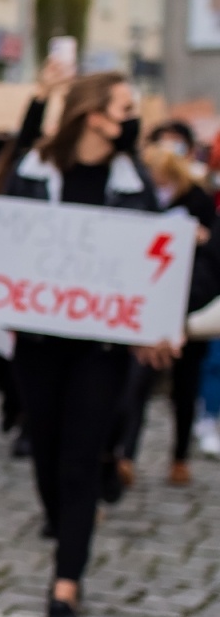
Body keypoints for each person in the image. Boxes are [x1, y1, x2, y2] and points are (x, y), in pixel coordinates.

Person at [0, 59, 164, 617]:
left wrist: (160, 318)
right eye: (124, 109)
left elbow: (147, 260)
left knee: (78, 461)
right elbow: (6, 238)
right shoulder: (35, 172)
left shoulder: (131, 178)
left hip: (102, 347)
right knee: (47, 454)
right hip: (38, 341)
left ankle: (64, 589)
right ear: (93, 116)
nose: (132, 119)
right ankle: (68, 530)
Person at [114, 144, 216, 487]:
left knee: (184, 388)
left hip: (185, 304)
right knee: (136, 385)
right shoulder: (140, 199)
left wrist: (202, 241)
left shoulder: (198, 201)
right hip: (148, 305)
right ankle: (126, 454)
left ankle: (179, 457)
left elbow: (212, 261)